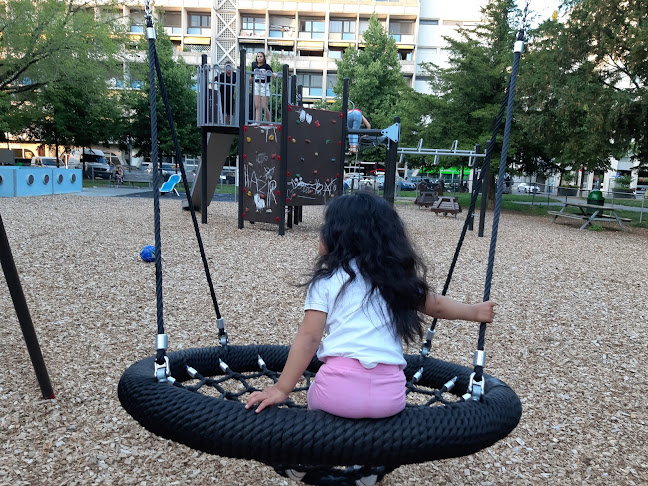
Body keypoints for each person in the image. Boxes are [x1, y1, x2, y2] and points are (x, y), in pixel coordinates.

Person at [246, 192, 496, 419]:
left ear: (338, 236)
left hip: (336, 392)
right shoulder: (397, 280)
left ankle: (307, 460)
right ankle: (368, 465)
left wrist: (281, 388)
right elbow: (438, 306)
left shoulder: (327, 281)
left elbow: (310, 337)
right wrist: (474, 311)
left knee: (315, 405)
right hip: (390, 396)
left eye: (325, 227)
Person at [249, 52, 277, 123]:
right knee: (257, 106)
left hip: (264, 85)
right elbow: (252, 76)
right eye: (258, 56)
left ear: (263, 58)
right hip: (256, 85)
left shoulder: (266, 66)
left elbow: (271, 73)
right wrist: (247, 82)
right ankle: (257, 122)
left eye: (261, 56)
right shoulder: (254, 66)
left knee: (264, 106)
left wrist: (274, 74)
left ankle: (269, 121)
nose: (259, 58)